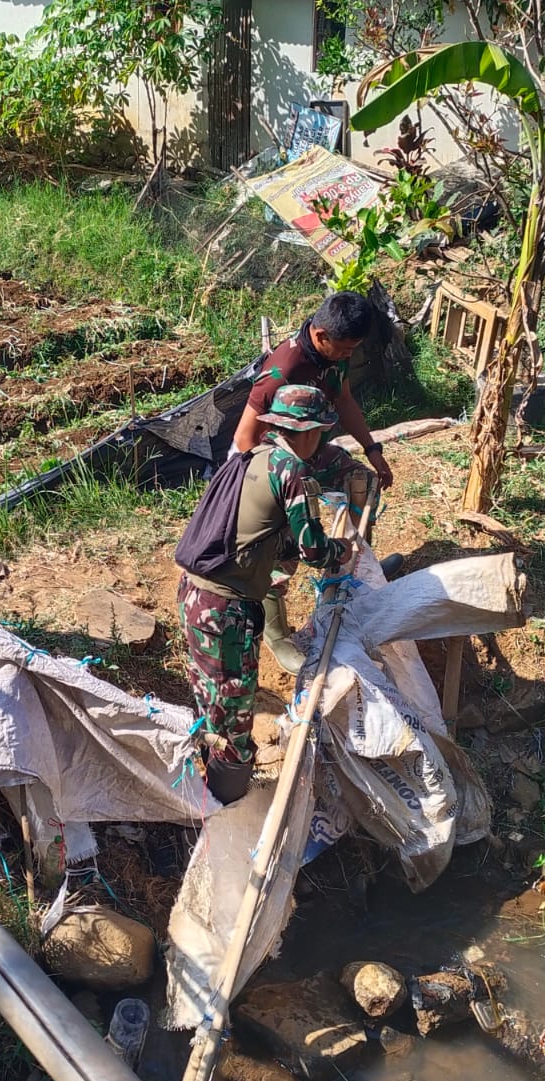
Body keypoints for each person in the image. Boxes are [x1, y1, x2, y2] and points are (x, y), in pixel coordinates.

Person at [178, 385, 354, 804]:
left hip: (194, 597)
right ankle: (225, 811)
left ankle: (207, 789)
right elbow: (313, 549)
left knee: (211, 701)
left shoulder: (251, 457)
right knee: (234, 723)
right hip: (224, 612)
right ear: (310, 432)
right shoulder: (293, 472)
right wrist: (341, 550)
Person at [233, 290, 399, 669]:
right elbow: (245, 438)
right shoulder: (284, 368)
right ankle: (277, 636)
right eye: (343, 348)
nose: (348, 355)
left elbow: (343, 400)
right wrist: (282, 487)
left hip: (311, 450)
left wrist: (372, 448)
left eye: (353, 349)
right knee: (284, 548)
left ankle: (353, 574)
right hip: (275, 462)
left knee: (361, 481)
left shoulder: (333, 353)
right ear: (321, 335)